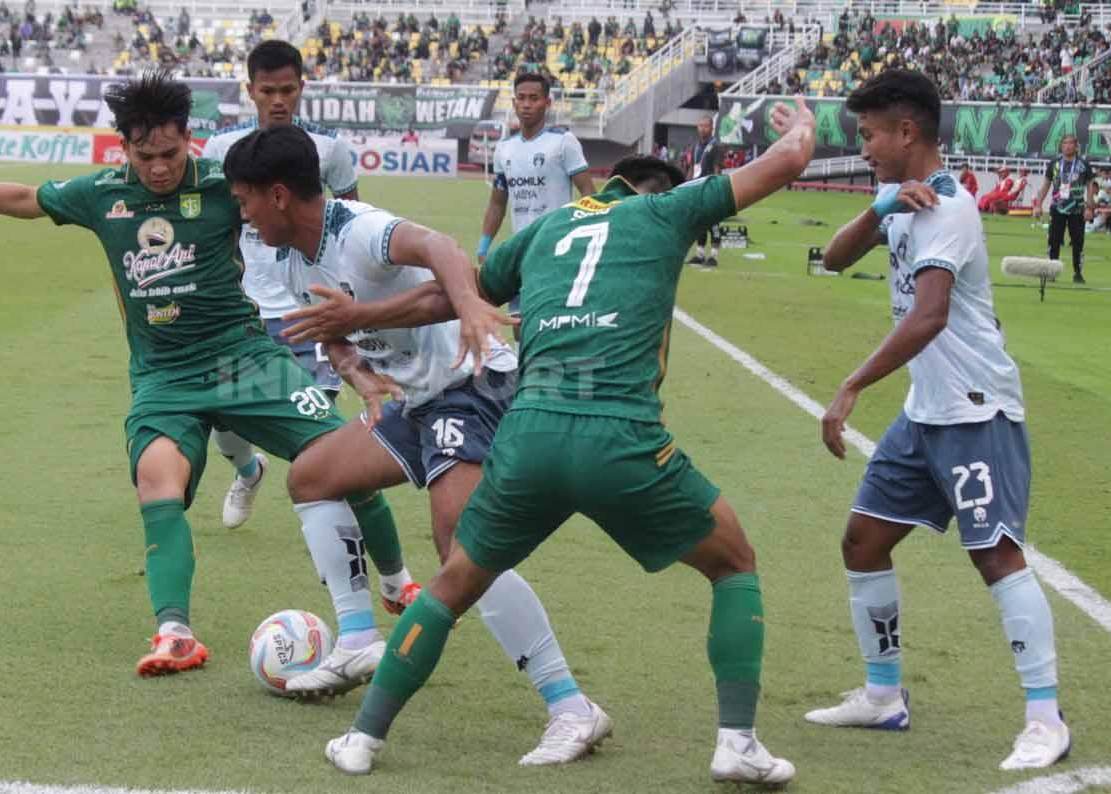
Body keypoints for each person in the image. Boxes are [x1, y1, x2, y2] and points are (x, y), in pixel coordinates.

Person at [0, 72, 472, 682]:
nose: (160, 168)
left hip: (242, 360)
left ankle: (395, 581)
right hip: (164, 376)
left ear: (187, 141)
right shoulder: (102, 194)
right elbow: (28, 200)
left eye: (170, 154)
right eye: (146, 157)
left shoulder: (226, 186)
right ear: (125, 149)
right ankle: (174, 633)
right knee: (156, 482)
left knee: (337, 456)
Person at [321, 98, 817, 783]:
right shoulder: (666, 211)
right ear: (660, 190)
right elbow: (788, 160)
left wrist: (357, 317)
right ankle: (737, 743)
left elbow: (450, 296)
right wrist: (802, 127)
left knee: (454, 582)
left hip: (529, 432)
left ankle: (361, 740)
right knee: (733, 561)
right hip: (620, 435)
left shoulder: (549, 227)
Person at [225, 123, 610, 764]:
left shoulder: (359, 231)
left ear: (280, 195)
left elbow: (440, 249)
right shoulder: (292, 260)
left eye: (244, 200)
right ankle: (356, 639)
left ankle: (571, 707)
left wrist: (472, 307)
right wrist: (359, 375)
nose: (241, 214)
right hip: (417, 401)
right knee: (313, 475)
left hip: (474, 383)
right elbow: (333, 334)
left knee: (462, 546)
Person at [811, 69, 1068, 772]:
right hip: (926, 413)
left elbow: (928, 317)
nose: (861, 147)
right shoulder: (901, 200)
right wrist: (881, 204)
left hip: (976, 410)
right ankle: (883, 695)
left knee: (996, 555)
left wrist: (850, 386)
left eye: (868, 135)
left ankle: (1046, 718)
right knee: (862, 543)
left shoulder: (950, 209)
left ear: (907, 131)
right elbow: (832, 259)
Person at [200, 41, 420, 613]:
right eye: (266, 90)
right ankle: (247, 471)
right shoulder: (222, 151)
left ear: (302, 88)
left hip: (310, 315)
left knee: (320, 449)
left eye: (287, 89)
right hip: (242, 315)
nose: (277, 100)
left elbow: (343, 230)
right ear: (249, 90)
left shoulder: (329, 151)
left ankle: (383, 581)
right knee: (224, 421)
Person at [478, 72, 596, 336]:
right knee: (519, 326)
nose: (527, 104)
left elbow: (589, 194)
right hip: (520, 251)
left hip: (557, 249)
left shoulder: (563, 142)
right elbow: (497, 203)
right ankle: (526, 375)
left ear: (547, 103)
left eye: (534, 98)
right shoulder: (504, 148)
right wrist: (484, 246)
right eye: (521, 98)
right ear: (513, 103)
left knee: (553, 324)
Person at [1033, 134, 1094, 284]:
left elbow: (1090, 185)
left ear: (1076, 146)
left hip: (1077, 209)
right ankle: (1052, 272)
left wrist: (1090, 207)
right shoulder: (1054, 164)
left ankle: (1077, 273)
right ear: (1061, 146)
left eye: (1070, 143)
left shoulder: (1083, 164)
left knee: (1078, 242)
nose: (1067, 146)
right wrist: (1038, 204)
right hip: (1058, 208)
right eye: (1065, 143)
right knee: (1054, 241)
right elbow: (1046, 184)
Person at [687, 115, 724, 267]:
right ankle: (700, 254)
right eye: (700, 125)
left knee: (713, 224)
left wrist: (716, 189)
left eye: (705, 126)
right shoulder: (695, 146)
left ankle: (714, 256)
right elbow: (691, 167)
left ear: (712, 128)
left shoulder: (716, 145)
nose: (702, 128)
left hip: (710, 189)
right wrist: (685, 186)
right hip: (697, 189)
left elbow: (717, 169)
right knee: (700, 223)